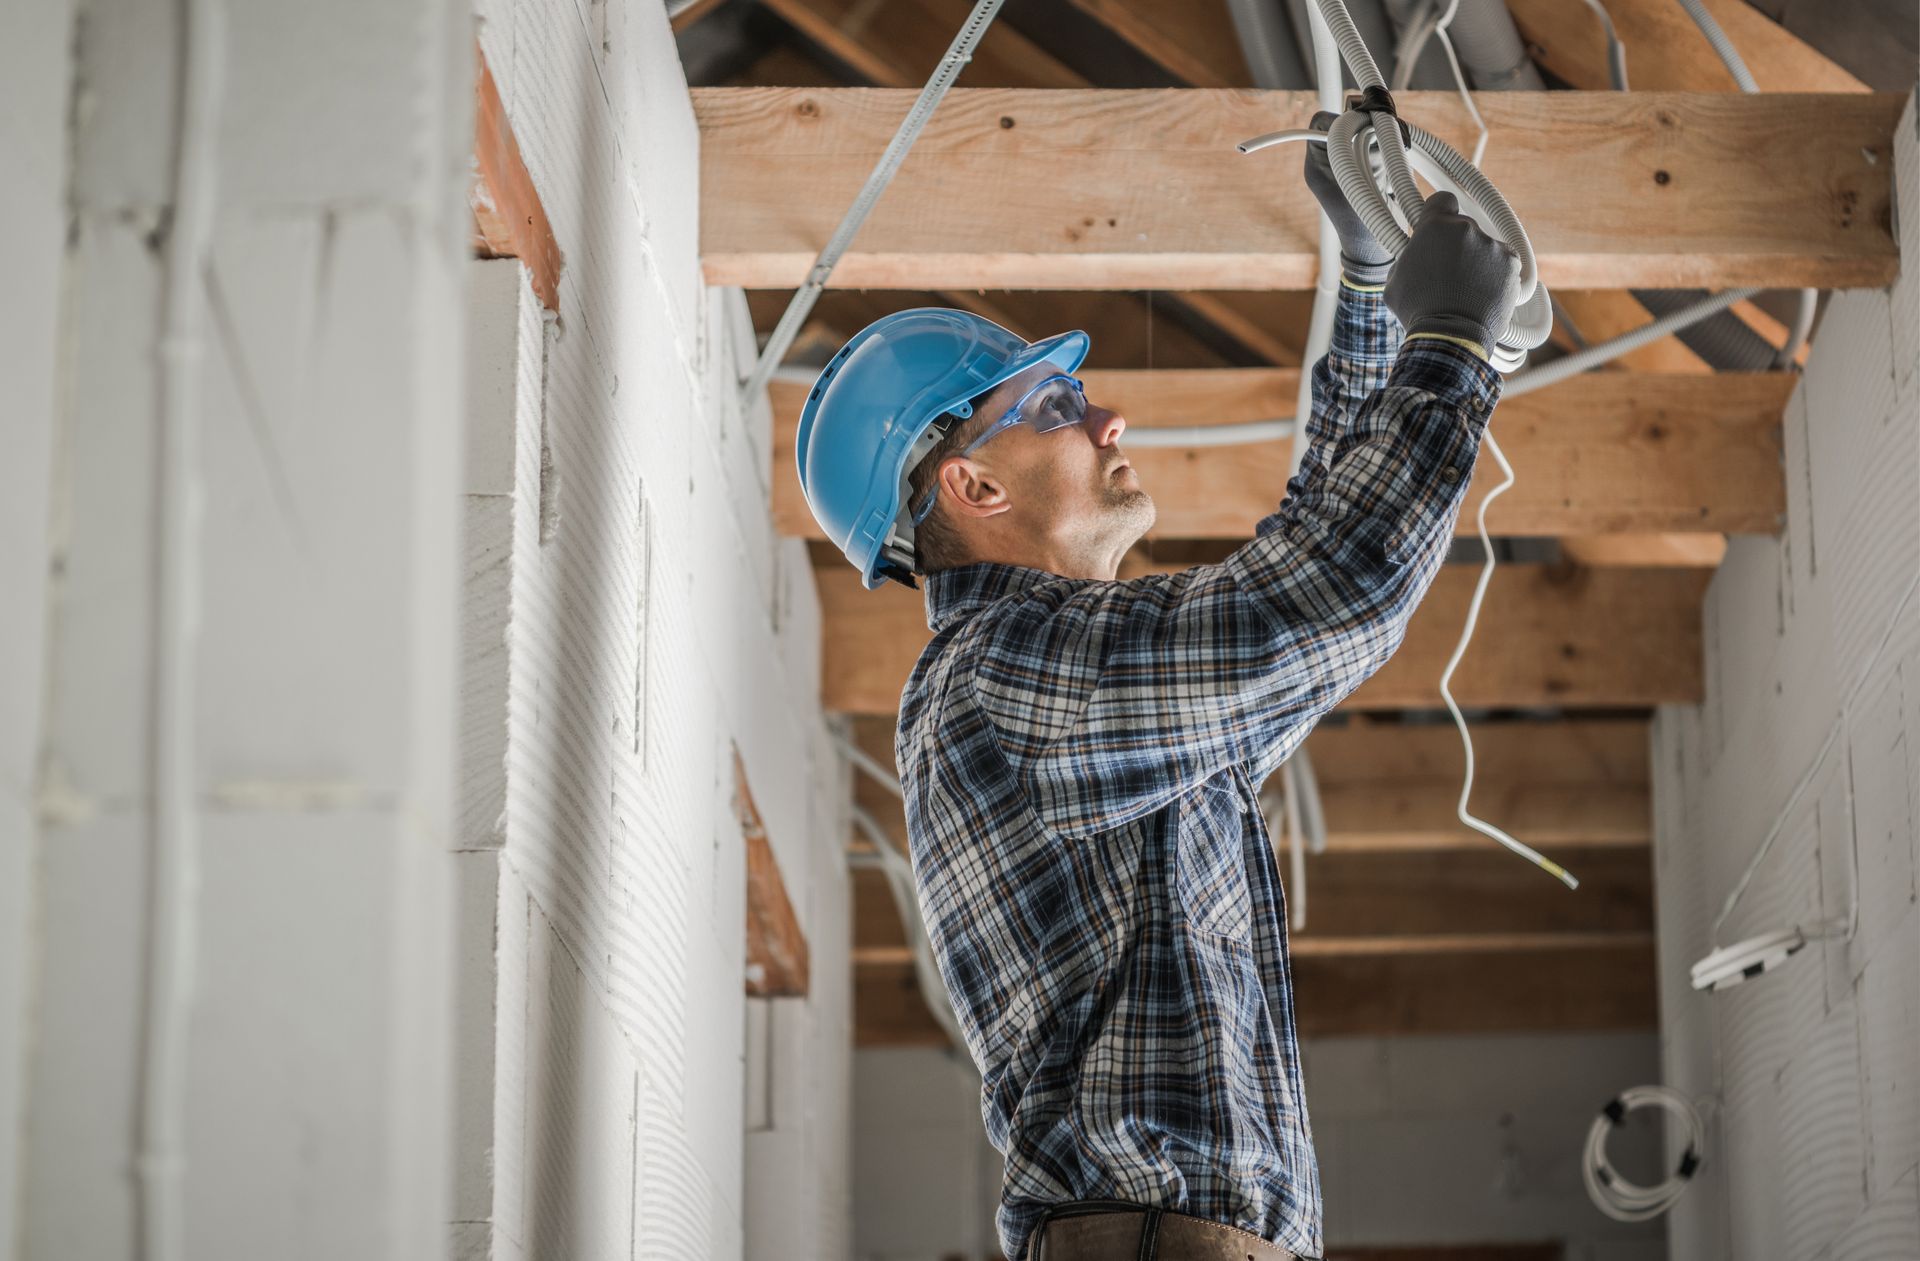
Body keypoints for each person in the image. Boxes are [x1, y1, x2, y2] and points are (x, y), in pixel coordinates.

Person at [794, 111, 1521, 1261]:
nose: (1105, 415)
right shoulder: (1005, 677)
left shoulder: (1070, 691)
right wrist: (1452, 353)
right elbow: (1331, 592)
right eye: (1051, 406)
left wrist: (1379, 295)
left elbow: (1311, 552)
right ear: (973, 483)